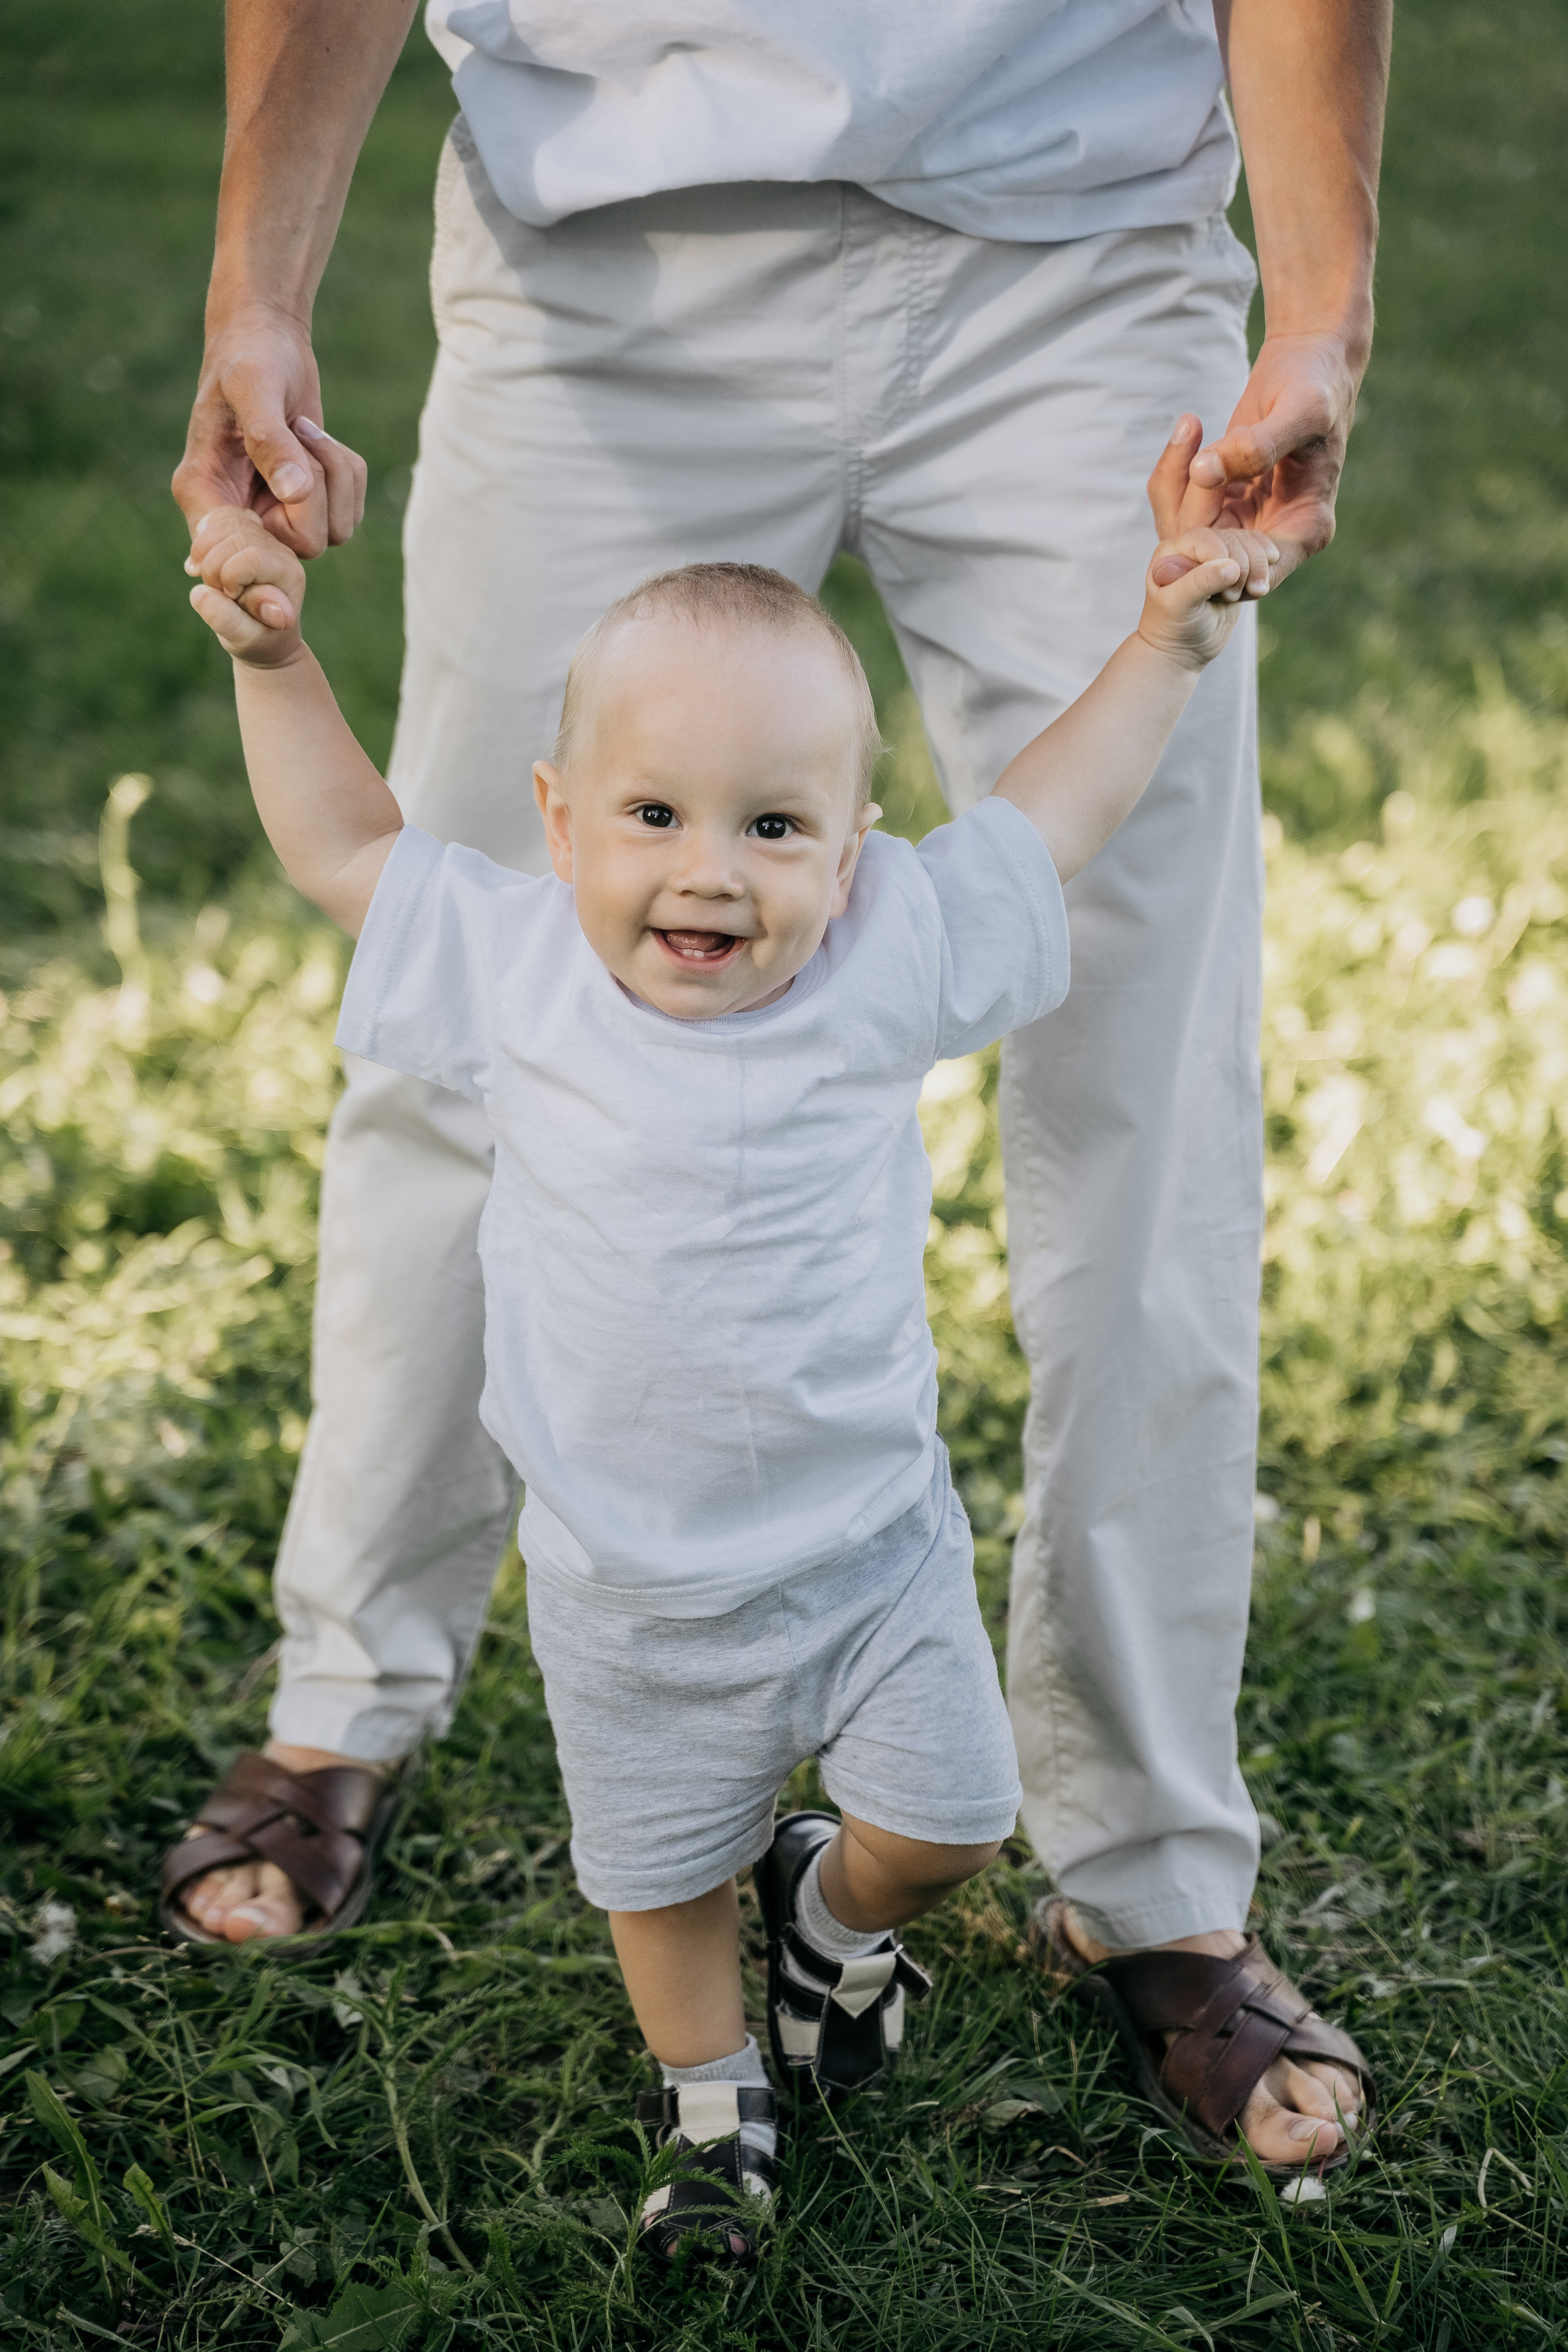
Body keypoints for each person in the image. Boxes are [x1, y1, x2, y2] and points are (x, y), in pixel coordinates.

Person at [165, 0, 1392, 2171]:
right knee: (484, 1027)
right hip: (609, 230)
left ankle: (1153, 1869)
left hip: (1078, 240)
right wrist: (257, 289)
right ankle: (347, 1697)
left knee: (1148, 1091)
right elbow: (368, 864)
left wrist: (1317, 307)